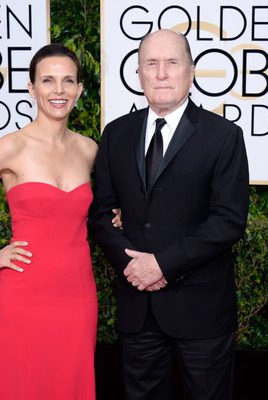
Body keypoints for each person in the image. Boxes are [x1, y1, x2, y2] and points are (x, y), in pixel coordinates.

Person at [0, 43, 121, 400]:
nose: (58, 90)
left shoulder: (89, 149)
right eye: (47, 81)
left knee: (70, 384)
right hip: (24, 294)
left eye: (68, 81)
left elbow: (104, 206)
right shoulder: (11, 147)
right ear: (32, 88)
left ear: (80, 89)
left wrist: (119, 213)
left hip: (78, 294)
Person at [88, 29, 249, 400]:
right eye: (151, 64)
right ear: (139, 74)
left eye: (171, 63)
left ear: (190, 72)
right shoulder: (116, 135)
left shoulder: (223, 136)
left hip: (202, 312)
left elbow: (228, 220)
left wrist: (161, 264)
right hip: (137, 308)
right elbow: (100, 215)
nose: (161, 73)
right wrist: (134, 267)